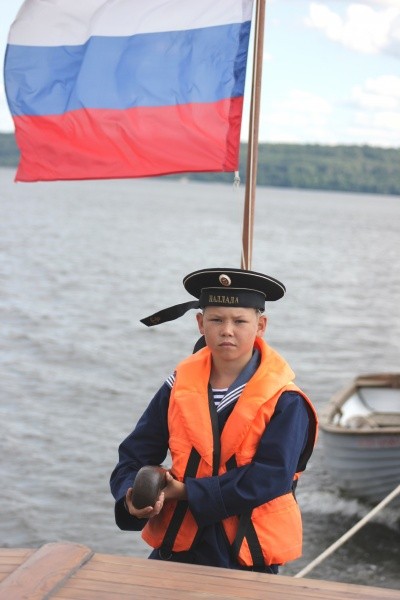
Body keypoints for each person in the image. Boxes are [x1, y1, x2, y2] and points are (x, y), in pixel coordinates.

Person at [110, 267, 318, 573]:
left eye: (240, 321)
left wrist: (188, 492)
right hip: (177, 546)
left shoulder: (285, 400)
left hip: (246, 554)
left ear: (260, 325)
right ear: (200, 323)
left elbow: (272, 477)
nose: (227, 330)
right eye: (216, 320)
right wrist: (131, 497)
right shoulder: (177, 387)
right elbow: (134, 455)